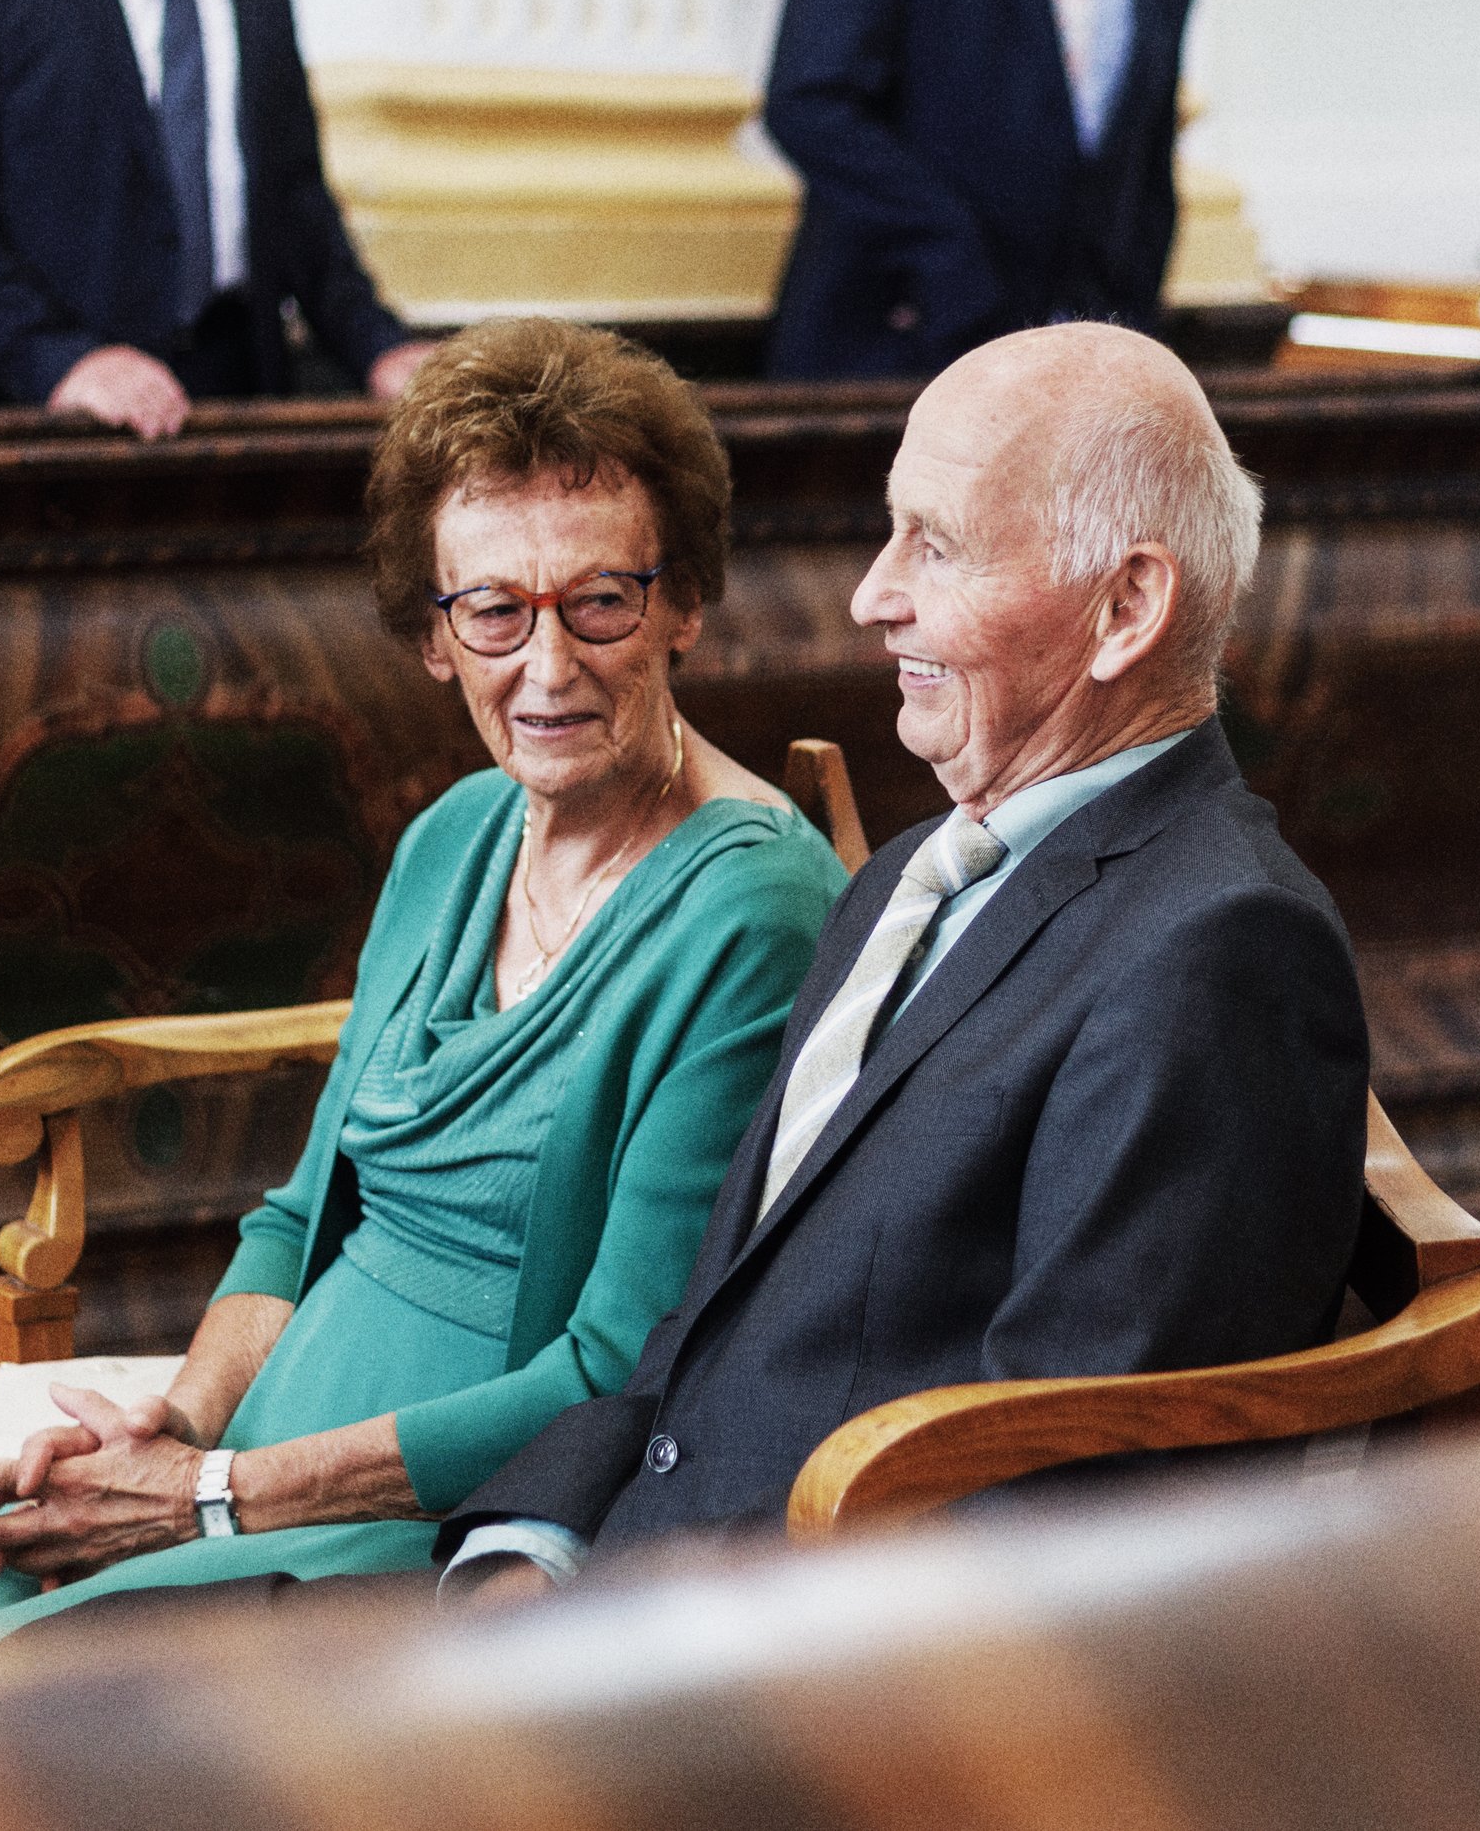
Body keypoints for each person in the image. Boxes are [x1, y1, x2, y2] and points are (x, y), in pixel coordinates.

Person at [0, 320, 848, 1676]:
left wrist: (208, 1498)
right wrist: (170, 1430)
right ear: (435, 636)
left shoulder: (752, 909)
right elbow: (296, 1215)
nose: (549, 665)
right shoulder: (457, 832)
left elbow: (608, 1374)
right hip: (249, 1452)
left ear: (685, 601)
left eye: (603, 601)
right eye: (496, 609)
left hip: (447, 1527)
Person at [437, 322, 1368, 1600]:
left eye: (936, 544)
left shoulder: (1217, 950)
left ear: (1126, 609)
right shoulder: (913, 868)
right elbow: (711, 1330)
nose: (874, 594)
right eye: (891, 533)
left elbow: (1073, 1513)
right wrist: (524, 1554)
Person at [0, 0, 430, 438]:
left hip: (238, 395)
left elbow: (291, 191)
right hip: (41, 420)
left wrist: (379, 346)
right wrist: (61, 359)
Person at [761, 0, 1205, 380]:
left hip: (1091, 359)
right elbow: (810, 100)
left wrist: (1131, 322)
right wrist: (948, 253)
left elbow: (1145, 138)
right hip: (899, 340)